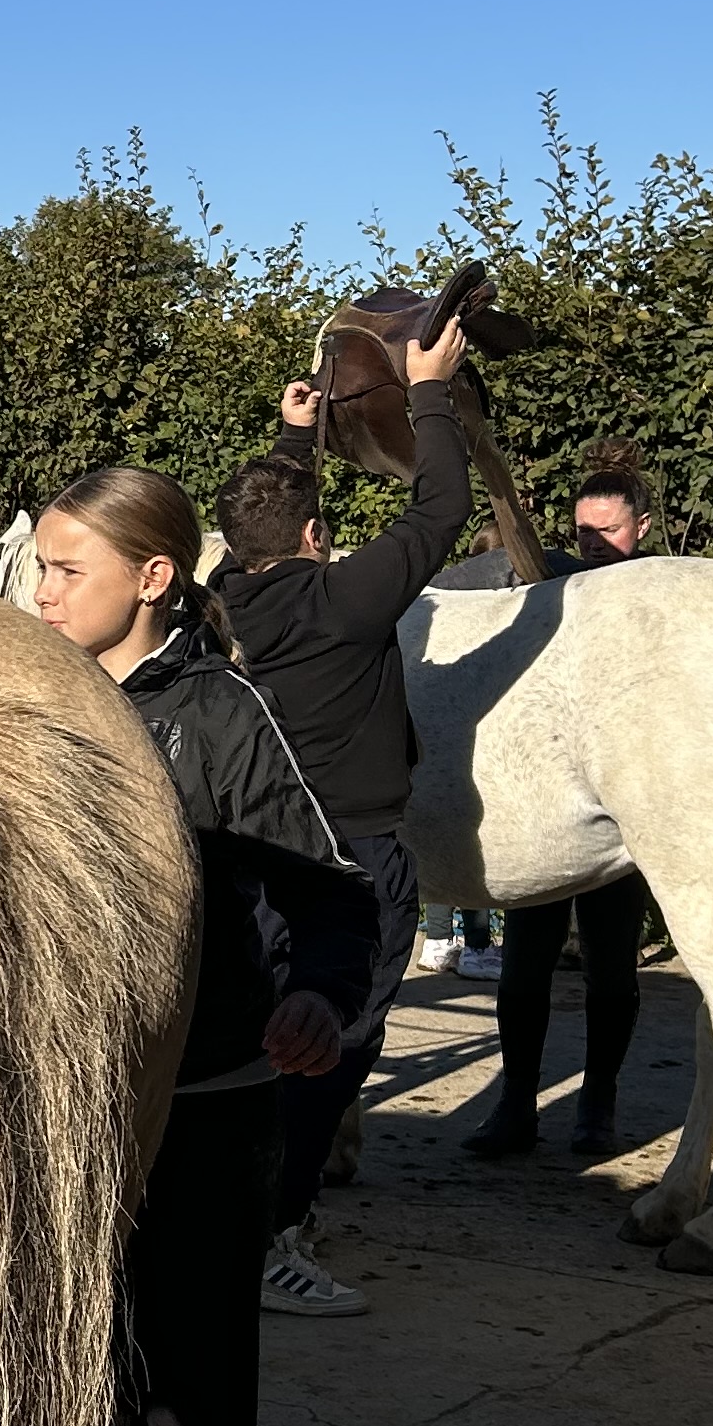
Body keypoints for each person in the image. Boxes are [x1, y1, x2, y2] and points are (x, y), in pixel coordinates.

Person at [35, 468, 375, 1426]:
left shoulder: (224, 714)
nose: (43, 590)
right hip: (63, 1102)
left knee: (186, 1370)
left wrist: (317, 1001)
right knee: (78, 1365)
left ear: (155, 578)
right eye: (42, 566)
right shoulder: (26, 700)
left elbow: (335, 891)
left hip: (208, 1096)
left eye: (70, 569)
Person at [210, 310, 474, 1314]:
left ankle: (244, 1203)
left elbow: (265, 517)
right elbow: (441, 508)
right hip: (354, 858)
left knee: (260, 1029)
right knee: (340, 1039)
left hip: (262, 852)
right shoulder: (345, 603)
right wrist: (435, 389)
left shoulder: (236, 591)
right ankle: (278, 1231)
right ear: (319, 540)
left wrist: (294, 436)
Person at [446, 452, 662, 1159]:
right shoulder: (555, 584)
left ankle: (597, 1104)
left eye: (610, 529)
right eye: (584, 529)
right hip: (546, 800)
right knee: (523, 964)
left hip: (629, 810)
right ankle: (515, 1104)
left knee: (611, 969)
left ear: (644, 527)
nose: (596, 541)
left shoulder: (665, 601)